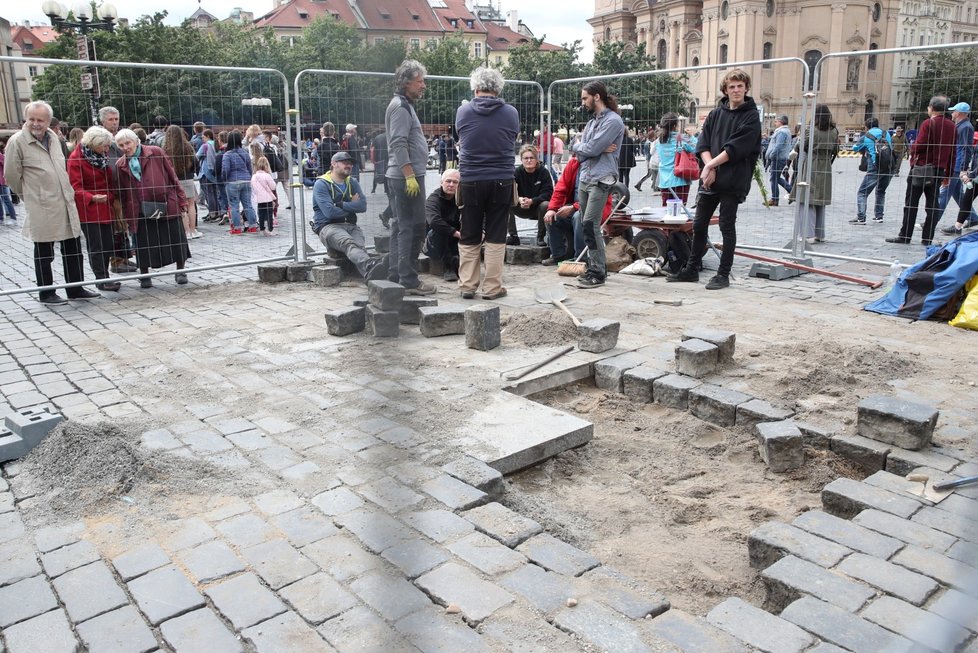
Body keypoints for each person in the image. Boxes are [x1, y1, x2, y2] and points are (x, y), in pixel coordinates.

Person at [666, 68, 762, 290]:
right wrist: (708, 165)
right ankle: (691, 269)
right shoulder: (715, 114)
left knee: (727, 227)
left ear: (746, 88)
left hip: (733, 179)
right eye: (732, 87)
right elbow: (703, 143)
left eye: (740, 86)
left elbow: (736, 148)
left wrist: (709, 165)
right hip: (710, 178)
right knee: (699, 225)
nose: (736, 90)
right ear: (725, 90)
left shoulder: (751, 116)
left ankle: (723, 274)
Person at [4, 100, 99, 304]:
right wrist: (30, 196)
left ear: (48, 121)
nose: (35, 123)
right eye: (32, 119)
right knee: (44, 252)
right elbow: (11, 176)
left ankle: (75, 289)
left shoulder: (54, 138)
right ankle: (46, 292)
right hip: (41, 205)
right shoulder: (17, 141)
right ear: (26, 119)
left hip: (65, 201)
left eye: (40, 120)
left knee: (73, 249)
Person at [455, 66, 520, 300]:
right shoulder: (511, 112)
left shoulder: (463, 112)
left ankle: (467, 285)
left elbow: (461, 137)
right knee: (496, 233)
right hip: (501, 179)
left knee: (469, 232)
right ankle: (492, 288)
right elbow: (512, 138)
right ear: (498, 88)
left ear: (475, 88)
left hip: (471, 179)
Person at [114, 128, 191, 287]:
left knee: (175, 238)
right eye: (121, 145)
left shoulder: (155, 152)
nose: (125, 147)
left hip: (166, 203)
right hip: (139, 208)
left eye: (128, 143)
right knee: (144, 242)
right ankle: (144, 275)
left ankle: (180, 271)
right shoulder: (121, 164)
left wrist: (180, 198)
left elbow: (172, 176)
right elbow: (122, 191)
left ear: (136, 141)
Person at [567, 80, 625, 289]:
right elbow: (581, 151)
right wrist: (584, 147)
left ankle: (598, 271)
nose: (583, 102)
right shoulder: (592, 123)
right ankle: (594, 267)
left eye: (585, 98)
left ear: (596, 97)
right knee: (586, 223)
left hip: (602, 178)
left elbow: (590, 149)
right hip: (586, 176)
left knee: (590, 223)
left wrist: (586, 147)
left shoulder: (613, 121)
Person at [385, 59, 435, 295]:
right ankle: (408, 279)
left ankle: (396, 274)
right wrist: (409, 175)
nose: (423, 85)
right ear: (407, 83)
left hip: (407, 175)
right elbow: (398, 142)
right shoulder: (401, 107)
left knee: (401, 227)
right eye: (419, 81)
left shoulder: (404, 105)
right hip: (407, 177)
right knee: (412, 228)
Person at [886, 96, 956, 246]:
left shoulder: (928, 123)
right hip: (939, 170)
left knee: (911, 203)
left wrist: (914, 149)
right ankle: (927, 238)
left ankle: (905, 235)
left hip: (921, 168)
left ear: (932, 108)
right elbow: (952, 152)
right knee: (932, 205)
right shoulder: (952, 126)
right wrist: (948, 173)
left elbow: (920, 145)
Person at [311, 151, 386, 280]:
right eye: (345, 162)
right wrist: (352, 205)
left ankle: (371, 275)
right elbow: (329, 213)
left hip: (351, 226)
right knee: (349, 243)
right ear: (334, 164)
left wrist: (340, 205)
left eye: (350, 163)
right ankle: (370, 265)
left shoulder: (352, 182)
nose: (349, 165)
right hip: (328, 227)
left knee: (359, 248)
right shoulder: (321, 184)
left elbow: (362, 206)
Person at [67, 126, 122, 292]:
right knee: (96, 246)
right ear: (93, 144)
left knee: (107, 243)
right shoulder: (76, 159)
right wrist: (91, 197)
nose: (107, 149)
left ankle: (104, 276)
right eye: (104, 146)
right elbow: (74, 187)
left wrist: (111, 196)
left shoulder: (100, 155)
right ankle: (101, 279)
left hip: (105, 205)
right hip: (89, 208)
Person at [542, 152, 613, 265]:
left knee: (579, 216)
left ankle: (581, 258)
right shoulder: (574, 164)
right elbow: (561, 188)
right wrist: (552, 209)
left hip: (594, 208)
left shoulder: (600, 169)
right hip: (574, 205)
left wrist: (573, 207)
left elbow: (595, 199)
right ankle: (558, 255)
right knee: (553, 217)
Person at [789, 104, 839, 243]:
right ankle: (820, 234)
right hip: (826, 166)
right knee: (820, 201)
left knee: (807, 198)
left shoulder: (812, 130)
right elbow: (836, 149)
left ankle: (806, 233)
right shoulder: (834, 131)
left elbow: (802, 145)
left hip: (812, 163)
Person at [937, 102, 977, 231]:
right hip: (956, 163)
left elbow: (966, 149)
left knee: (944, 192)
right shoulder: (960, 126)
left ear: (959, 113)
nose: (952, 113)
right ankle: (973, 217)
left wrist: (963, 168)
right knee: (959, 194)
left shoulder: (965, 127)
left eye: (953, 111)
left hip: (957, 165)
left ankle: (931, 221)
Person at [850, 118, 894, 225]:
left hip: (875, 167)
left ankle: (861, 217)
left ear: (866, 127)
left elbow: (855, 148)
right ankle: (879, 216)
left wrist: (860, 146)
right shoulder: (886, 133)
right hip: (889, 166)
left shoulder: (867, 136)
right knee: (881, 191)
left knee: (862, 192)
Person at [508, 144, 553, 247]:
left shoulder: (543, 172)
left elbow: (548, 193)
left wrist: (533, 201)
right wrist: (519, 199)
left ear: (536, 159)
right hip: (520, 206)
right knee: (505, 201)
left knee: (546, 204)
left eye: (531, 158)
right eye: (526, 158)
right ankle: (513, 236)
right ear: (521, 160)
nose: (528, 160)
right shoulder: (517, 172)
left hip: (538, 208)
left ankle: (540, 237)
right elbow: (510, 190)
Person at [164, 125, 201, 240]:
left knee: (181, 207)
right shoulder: (188, 147)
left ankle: (185, 232)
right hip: (188, 178)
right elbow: (195, 161)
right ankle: (193, 230)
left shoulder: (166, 149)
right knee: (191, 205)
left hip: (174, 180)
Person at [424, 169, 462, 281]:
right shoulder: (433, 199)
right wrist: (456, 233)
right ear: (441, 182)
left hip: (456, 237)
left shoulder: (463, 197)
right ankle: (448, 267)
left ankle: (460, 260)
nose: (451, 185)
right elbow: (434, 221)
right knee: (440, 228)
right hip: (434, 242)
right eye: (448, 181)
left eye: (455, 182)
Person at [221, 130, 259, 235]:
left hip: (232, 182)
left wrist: (224, 179)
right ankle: (253, 226)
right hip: (246, 180)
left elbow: (225, 170)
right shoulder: (245, 152)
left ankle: (237, 228)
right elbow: (250, 168)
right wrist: (248, 177)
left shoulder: (227, 155)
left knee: (234, 206)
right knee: (248, 205)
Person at [655, 112, 697, 206]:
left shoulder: (659, 141)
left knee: (666, 210)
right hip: (680, 179)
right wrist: (692, 136)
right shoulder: (682, 138)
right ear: (675, 126)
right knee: (680, 210)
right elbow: (696, 148)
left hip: (664, 181)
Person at [765, 115, 793, 206]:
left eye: (776, 121)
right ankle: (792, 192)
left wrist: (772, 155)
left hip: (777, 158)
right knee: (776, 178)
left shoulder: (782, 132)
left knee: (774, 179)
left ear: (781, 122)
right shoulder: (784, 131)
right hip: (780, 158)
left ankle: (775, 199)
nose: (775, 122)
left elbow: (778, 146)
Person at [252, 156, 277, 236]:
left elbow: (252, 186)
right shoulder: (267, 175)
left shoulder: (254, 176)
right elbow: (273, 186)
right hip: (267, 198)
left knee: (261, 214)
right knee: (269, 214)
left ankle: (262, 228)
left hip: (259, 198)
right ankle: (270, 229)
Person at [634, 125, 660, 192]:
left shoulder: (648, 142)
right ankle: (639, 184)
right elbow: (650, 153)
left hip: (649, 160)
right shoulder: (649, 143)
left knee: (651, 174)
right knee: (649, 174)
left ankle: (652, 185)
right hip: (650, 161)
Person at [0, 137, 18, 223]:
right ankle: (0, 217)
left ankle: (13, 217)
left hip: (1, 181)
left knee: (6, 199)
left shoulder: (1, 155)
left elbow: (5, 164)